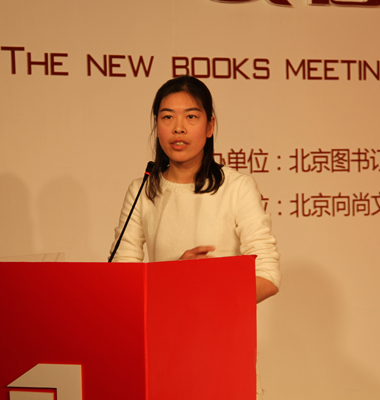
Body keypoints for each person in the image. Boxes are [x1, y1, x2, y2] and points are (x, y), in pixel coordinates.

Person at [109, 75, 280, 398]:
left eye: (191, 116)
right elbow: (121, 279)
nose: (178, 128)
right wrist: (175, 278)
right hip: (161, 351)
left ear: (210, 126)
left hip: (222, 353)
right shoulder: (142, 190)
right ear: (157, 125)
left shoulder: (236, 188)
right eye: (167, 117)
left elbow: (268, 277)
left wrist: (199, 287)